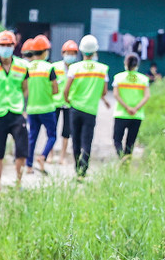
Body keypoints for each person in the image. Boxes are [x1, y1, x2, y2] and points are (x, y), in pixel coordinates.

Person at [0, 30, 29, 195]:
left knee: (22, 150)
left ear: (13, 45)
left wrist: (23, 110)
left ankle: (18, 183)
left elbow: (25, 89)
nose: (5, 48)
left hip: (16, 112)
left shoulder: (23, 66)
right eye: (2, 45)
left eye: (8, 45)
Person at [64, 34, 111, 177]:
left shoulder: (74, 68)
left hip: (75, 108)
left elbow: (66, 90)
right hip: (90, 110)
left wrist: (69, 101)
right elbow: (104, 91)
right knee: (87, 140)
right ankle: (83, 171)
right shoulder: (102, 69)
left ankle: (76, 167)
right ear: (95, 51)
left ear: (82, 51)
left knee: (76, 139)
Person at [25, 35, 58, 175]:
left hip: (32, 108)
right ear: (45, 51)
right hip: (47, 108)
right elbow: (55, 89)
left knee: (32, 137)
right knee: (52, 136)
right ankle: (43, 156)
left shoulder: (27, 67)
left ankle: (28, 166)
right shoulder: (49, 68)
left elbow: (24, 88)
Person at [112, 53, 150, 158]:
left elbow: (115, 94)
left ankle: (121, 158)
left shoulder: (118, 77)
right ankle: (126, 163)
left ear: (125, 63)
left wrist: (127, 107)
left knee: (117, 140)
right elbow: (147, 96)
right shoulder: (143, 79)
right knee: (130, 143)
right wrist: (136, 108)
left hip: (121, 114)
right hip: (137, 115)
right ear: (137, 64)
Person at [49, 40, 77, 165]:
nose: (70, 56)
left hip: (69, 103)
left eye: (73, 53)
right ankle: (50, 155)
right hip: (55, 102)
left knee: (67, 131)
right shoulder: (54, 67)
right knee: (52, 129)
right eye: (68, 53)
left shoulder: (77, 69)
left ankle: (62, 156)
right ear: (62, 53)